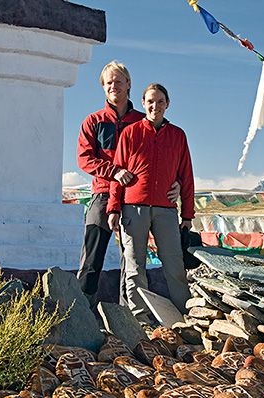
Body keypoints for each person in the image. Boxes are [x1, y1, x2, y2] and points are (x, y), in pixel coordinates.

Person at [76, 61, 180, 309]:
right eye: (109, 82)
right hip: (103, 194)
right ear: (103, 87)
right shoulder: (93, 121)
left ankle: (128, 316)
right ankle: (81, 312)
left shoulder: (143, 121)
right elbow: (84, 158)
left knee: (132, 259)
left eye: (118, 81)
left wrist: (175, 181)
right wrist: (114, 171)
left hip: (135, 199)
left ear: (129, 84)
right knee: (92, 255)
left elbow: (167, 154)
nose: (114, 86)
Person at [108, 83, 194, 324]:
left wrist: (188, 216)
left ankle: (186, 316)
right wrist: (113, 208)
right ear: (143, 103)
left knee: (174, 265)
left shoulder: (178, 135)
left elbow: (186, 176)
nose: (155, 106)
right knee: (135, 266)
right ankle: (140, 320)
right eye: (150, 101)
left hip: (166, 210)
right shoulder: (130, 133)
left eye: (160, 101)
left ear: (167, 104)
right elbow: (117, 172)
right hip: (132, 208)